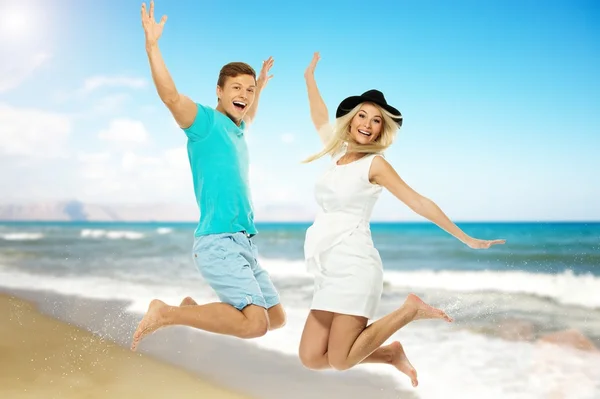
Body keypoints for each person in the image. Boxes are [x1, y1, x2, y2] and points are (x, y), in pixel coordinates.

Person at [298, 52, 506, 387]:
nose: (367, 123)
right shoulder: (337, 154)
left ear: (383, 129)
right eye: (361, 115)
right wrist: (309, 76)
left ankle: (409, 309)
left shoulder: (375, 164)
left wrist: (465, 237)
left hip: (355, 266)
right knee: (311, 356)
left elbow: (418, 201)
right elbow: (319, 115)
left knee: (339, 358)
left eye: (376, 120)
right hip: (328, 267)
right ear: (350, 120)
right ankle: (391, 353)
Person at [131, 1, 286, 351]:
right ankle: (166, 313)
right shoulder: (204, 124)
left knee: (276, 318)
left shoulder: (239, 128)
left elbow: (252, 110)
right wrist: (152, 47)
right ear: (218, 90)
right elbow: (170, 96)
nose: (244, 95)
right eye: (237, 88)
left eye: (249, 91)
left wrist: (259, 85)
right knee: (255, 324)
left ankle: (191, 312)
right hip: (218, 240)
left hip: (244, 241)